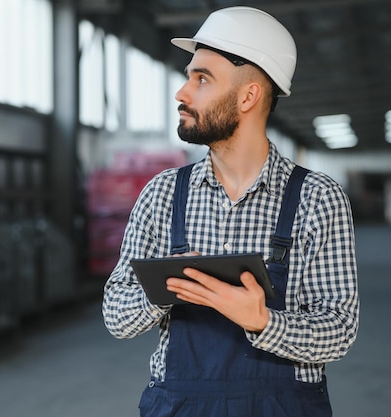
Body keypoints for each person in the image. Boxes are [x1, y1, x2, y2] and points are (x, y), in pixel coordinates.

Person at [102, 6, 359, 417]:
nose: (182, 93)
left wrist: (263, 321)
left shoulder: (317, 198)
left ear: (248, 96)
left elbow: (340, 330)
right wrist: (165, 288)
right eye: (188, 77)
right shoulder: (162, 194)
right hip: (180, 405)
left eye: (201, 79)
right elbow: (116, 316)